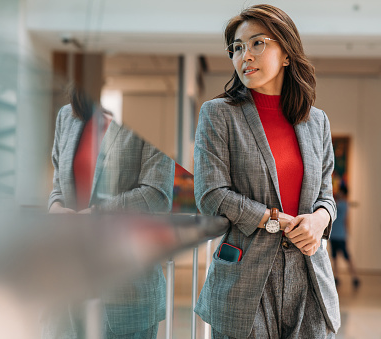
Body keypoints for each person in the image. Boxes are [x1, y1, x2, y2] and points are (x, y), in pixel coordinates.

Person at [194, 4, 339, 338]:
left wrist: (319, 220)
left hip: (310, 274)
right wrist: (276, 219)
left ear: (286, 53)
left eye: (257, 43)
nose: (246, 55)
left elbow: (326, 197)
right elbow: (210, 194)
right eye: (237, 48)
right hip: (245, 280)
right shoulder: (219, 114)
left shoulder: (316, 121)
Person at [46, 85, 175, 339]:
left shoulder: (153, 114)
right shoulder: (67, 116)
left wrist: (97, 213)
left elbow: (157, 195)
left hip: (127, 286)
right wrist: (56, 208)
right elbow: (58, 187)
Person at [330, 185, 360, 288]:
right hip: (339, 234)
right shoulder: (345, 204)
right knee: (337, 257)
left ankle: (352, 276)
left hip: (337, 234)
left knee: (340, 257)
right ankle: (340, 276)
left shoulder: (339, 204)